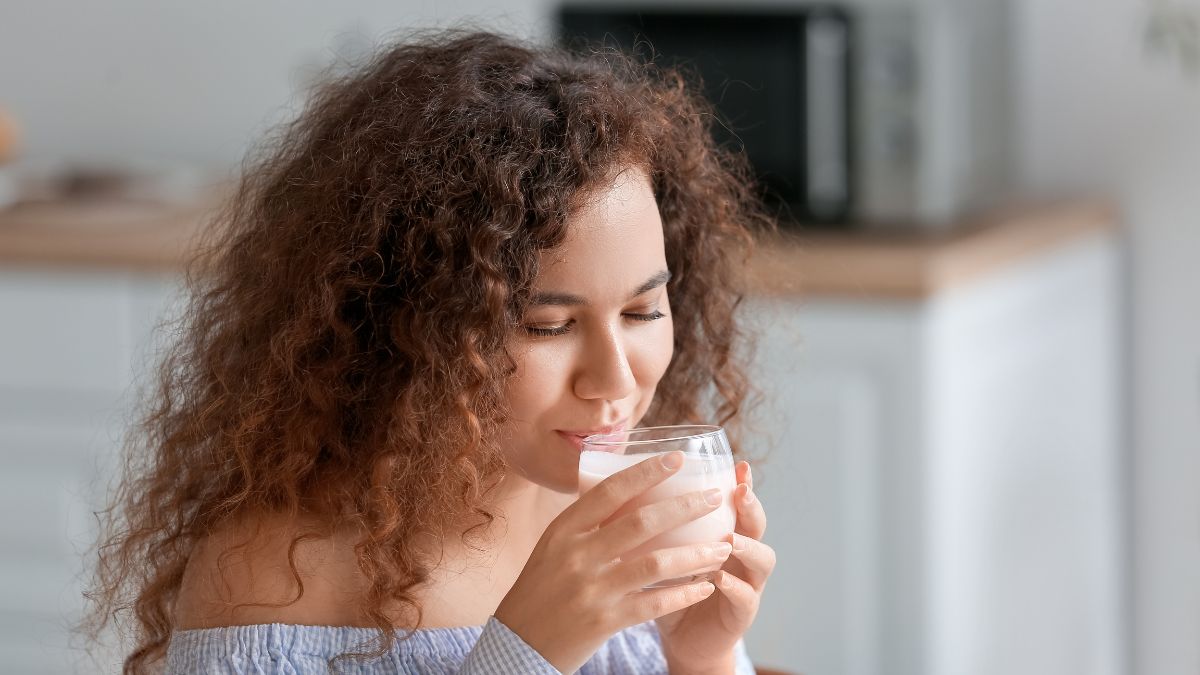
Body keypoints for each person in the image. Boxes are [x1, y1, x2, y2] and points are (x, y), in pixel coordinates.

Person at [82, 29, 777, 674]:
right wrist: (528, 649)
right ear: (416, 326)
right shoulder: (277, 574)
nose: (616, 377)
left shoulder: (621, 522)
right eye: (546, 325)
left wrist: (705, 657)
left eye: (643, 310)